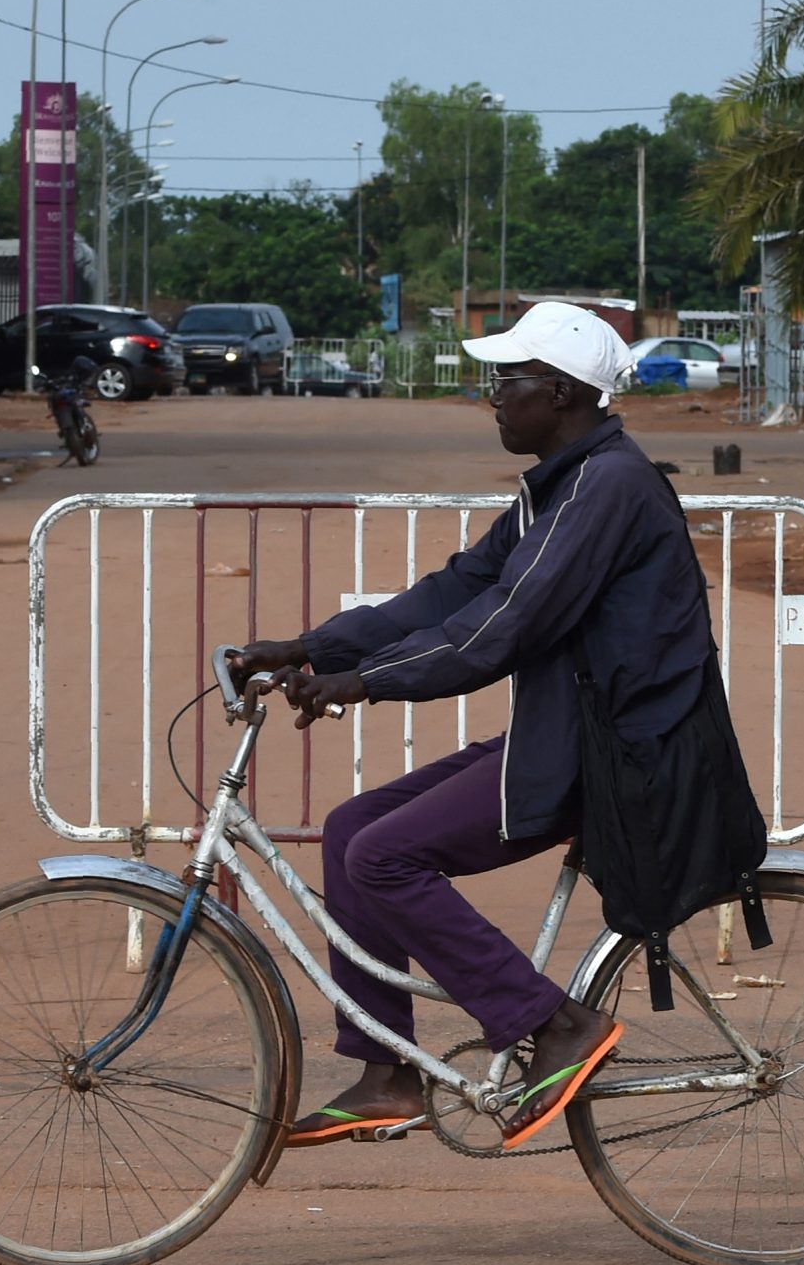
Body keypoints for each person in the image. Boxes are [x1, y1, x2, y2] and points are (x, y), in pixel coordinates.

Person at [233, 301, 720, 1151]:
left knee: (382, 856)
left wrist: (363, 681)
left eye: (507, 379)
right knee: (350, 829)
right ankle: (388, 1072)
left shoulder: (606, 488)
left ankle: (556, 1024)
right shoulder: (561, 485)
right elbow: (453, 590)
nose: (492, 395)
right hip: (565, 731)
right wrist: (311, 645)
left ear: (561, 392)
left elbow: (501, 627)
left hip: (612, 752)